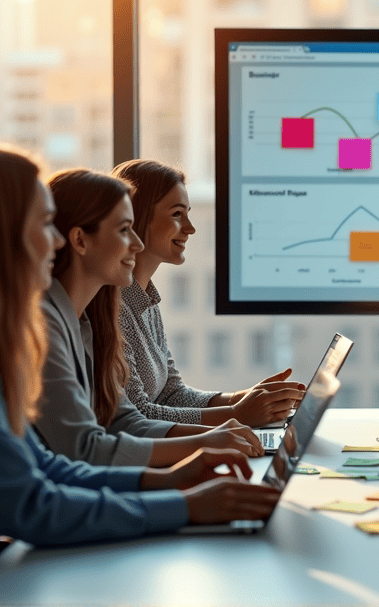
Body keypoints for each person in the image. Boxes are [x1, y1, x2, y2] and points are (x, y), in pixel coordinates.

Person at [0, 143, 280, 594]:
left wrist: (170, 481)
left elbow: (46, 467)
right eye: (42, 224)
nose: (55, 241)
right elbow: (32, 506)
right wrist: (184, 506)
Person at [33, 168, 276, 466]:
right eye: (125, 229)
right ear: (80, 241)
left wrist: (219, 430)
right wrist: (222, 425)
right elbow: (86, 449)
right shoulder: (48, 325)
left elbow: (127, 419)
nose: (135, 244)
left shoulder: (84, 321)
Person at [110, 159, 303, 427]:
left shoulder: (147, 301)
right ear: (137, 217)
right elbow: (136, 416)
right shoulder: (112, 308)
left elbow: (172, 394)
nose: (190, 228)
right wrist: (236, 414)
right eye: (177, 214)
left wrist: (244, 399)